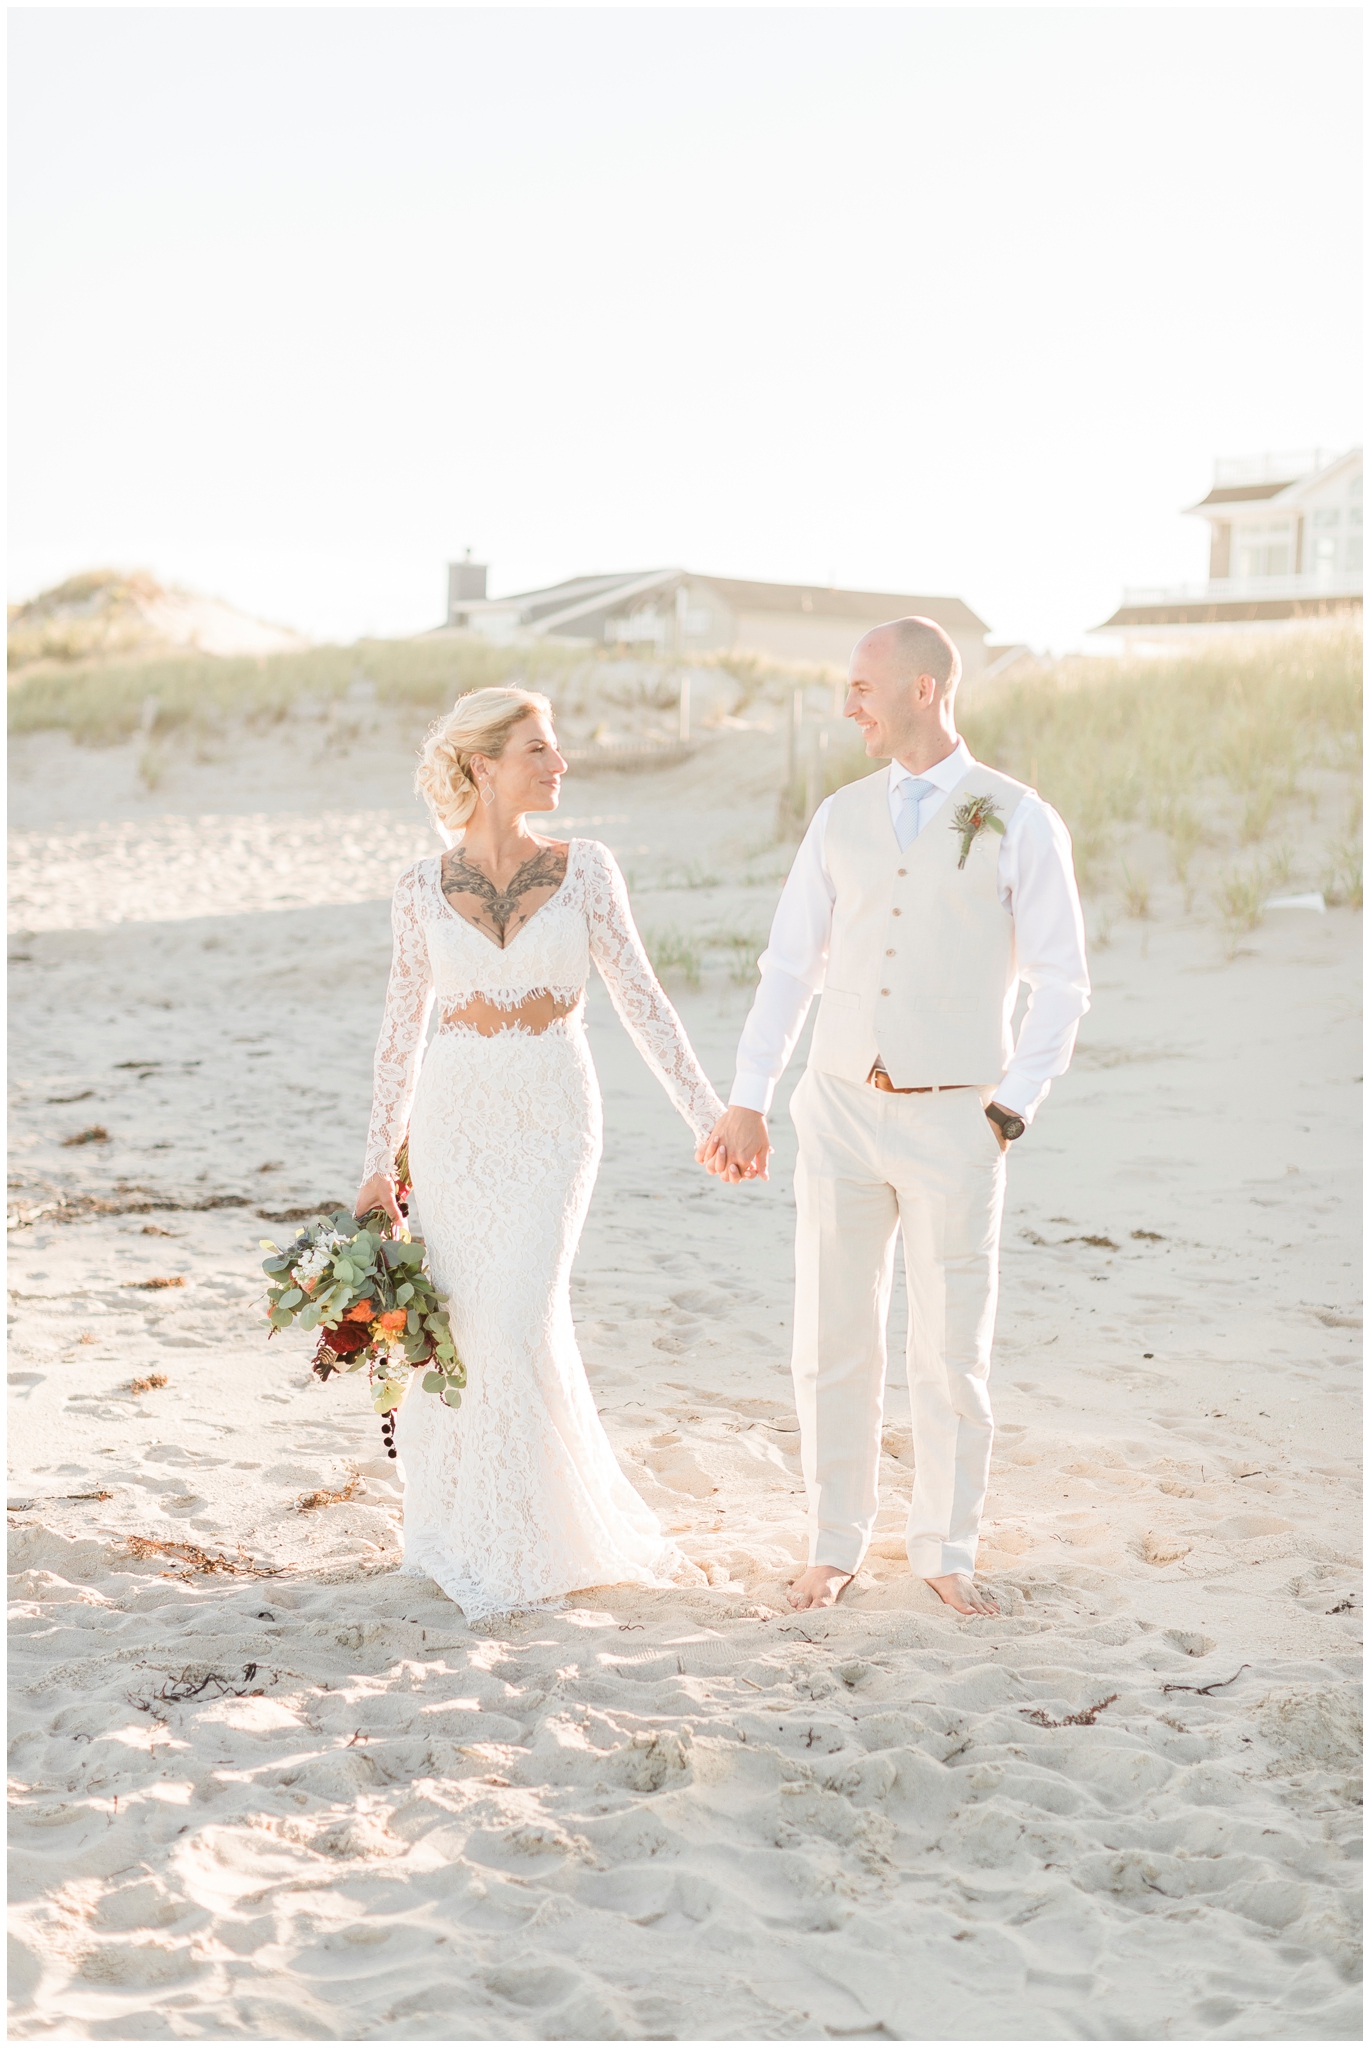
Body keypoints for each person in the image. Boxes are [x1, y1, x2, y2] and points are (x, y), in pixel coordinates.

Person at [699, 618, 1089, 1617]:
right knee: (830, 1334)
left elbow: (1061, 981)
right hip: (835, 1108)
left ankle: (943, 1546)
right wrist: (748, 1096)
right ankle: (833, 1540)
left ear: (923, 689)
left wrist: (1011, 1106)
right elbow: (789, 966)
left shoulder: (1015, 815)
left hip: (957, 1119)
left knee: (948, 1348)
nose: (846, 703)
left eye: (861, 685)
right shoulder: (837, 816)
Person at [355, 686, 724, 1622]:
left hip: (554, 1118)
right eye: (538, 749)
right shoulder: (416, 889)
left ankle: (535, 1539)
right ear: (483, 765)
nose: (559, 765)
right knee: (468, 1329)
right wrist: (375, 1163)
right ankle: (466, 1529)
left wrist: (707, 1115)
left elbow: (644, 1001)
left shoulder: (588, 870)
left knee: (520, 1312)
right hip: (454, 1120)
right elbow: (400, 1033)